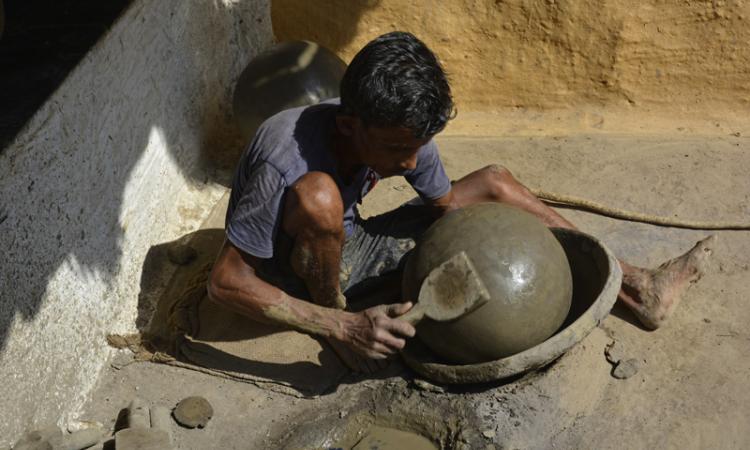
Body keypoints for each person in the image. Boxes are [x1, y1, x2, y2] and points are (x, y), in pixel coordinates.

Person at [207, 31, 714, 373]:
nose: (409, 163)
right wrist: (342, 323)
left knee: (493, 181)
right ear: (348, 125)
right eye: (396, 150)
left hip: (352, 239)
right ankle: (337, 319)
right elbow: (226, 282)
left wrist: (491, 247)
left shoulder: (405, 131)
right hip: (287, 273)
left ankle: (637, 289)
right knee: (319, 198)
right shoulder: (283, 158)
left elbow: (447, 207)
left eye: (417, 146)